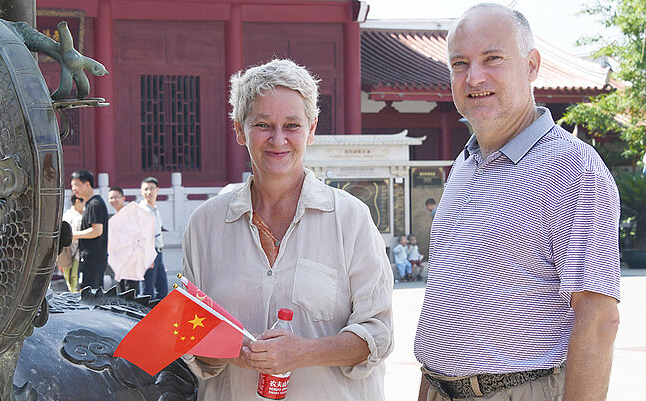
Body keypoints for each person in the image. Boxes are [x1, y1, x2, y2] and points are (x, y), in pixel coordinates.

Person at [415, 5, 620, 401]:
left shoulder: (573, 167)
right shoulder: (464, 164)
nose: (474, 77)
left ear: (531, 65)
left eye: (492, 59)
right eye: (460, 63)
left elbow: (598, 318)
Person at [181, 59, 393, 400]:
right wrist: (239, 352)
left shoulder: (350, 218)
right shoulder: (205, 225)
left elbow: (377, 334)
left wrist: (304, 352)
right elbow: (190, 337)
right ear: (239, 129)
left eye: (292, 125)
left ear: (311, 129)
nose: (278, 139)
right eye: (263, 124)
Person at [70, 169, 109, 290]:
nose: (73, 189)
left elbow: (97, 230)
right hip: (93, 258)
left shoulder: (94, 205)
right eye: (72, 186)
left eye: (76, 185)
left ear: (87, 184)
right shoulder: (91, 203)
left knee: (89, 295)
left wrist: (74, 235)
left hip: (92, 259)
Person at [137, 176, 167, 300]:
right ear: (141, 191)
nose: (149, 192)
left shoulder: (155, 209)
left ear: (157, 190)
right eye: (146, 189)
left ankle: (161, 318)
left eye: (152, 189)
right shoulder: (142, 210)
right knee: (147, 292)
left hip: (158, 252)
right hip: (148, 253)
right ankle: (145, 318)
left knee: (162, 290)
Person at [57, 194, 84, 293]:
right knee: (74, 278)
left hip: (64, 253)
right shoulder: (79, 217)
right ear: (78, 202)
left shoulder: (65, 214)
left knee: (68, 278)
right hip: (76, 251)